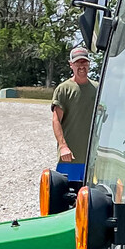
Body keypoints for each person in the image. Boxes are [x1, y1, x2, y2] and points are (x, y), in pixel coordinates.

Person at [50, 45, 96, 180]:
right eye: (77, 63)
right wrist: (63, 146)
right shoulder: (63, 89)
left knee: (91, 198)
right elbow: (56, 120)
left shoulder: (98, 88)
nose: (81, 66)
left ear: (89, 64)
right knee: (68, 196)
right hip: (70, 158)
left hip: (92, 158)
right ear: (71, 65)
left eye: (84, 62)